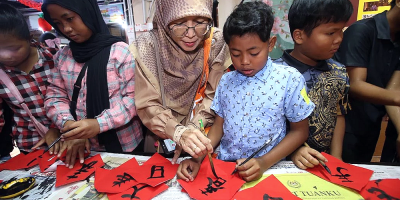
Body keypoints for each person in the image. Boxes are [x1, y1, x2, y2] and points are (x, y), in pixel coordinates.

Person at [177, 1, 315, 182]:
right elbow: (219, 126)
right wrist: (197, 158)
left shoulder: (289, 79)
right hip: (227, 168)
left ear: (271, 44)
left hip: (270, 169)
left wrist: (264, 162)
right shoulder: (226, 80)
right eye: (235, 53)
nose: (244, 61)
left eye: (253, 52)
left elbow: (300, 132)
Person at [41, 0, 143, 168]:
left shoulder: (120, 52)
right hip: (81, 146)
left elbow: (133, 99)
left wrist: (98, 124)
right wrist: (69, 126)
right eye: (58, 23)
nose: (66, 29)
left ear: (88, 13)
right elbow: (55, 96)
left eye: (70, 19)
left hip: (124, 144)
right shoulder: (63, 56)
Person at [131, 0, 230, 163]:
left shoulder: (215, 43)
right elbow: (147, 104)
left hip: (204, 135)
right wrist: (177, 132)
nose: (190, 34)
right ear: (164, 19)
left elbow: (214, 96)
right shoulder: (146, 47)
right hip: (160, 136)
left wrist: (194, 127)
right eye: (179, 23)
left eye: (199, 22)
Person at [273, 0, 353, 169]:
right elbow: (267, 122)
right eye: (331, 33)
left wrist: (337, 156)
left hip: (324, 164)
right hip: (282, 162)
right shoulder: (274, 74)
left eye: (341, 31)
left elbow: (338, 114)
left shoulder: (339, 72)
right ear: (299, 36)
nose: (339, 39)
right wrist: (293, 150)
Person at [334, 0, 400, 162]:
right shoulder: (362, 30)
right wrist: (396, 98)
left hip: (372, 123)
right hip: (345, 122)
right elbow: (355, 84)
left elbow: (393, 89)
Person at [0, 3, 60, 153]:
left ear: (29, 38)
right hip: (31, 145)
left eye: (13, 49)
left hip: (71, 139)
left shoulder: (55, 58)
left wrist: (57, 127)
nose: (5, 56)